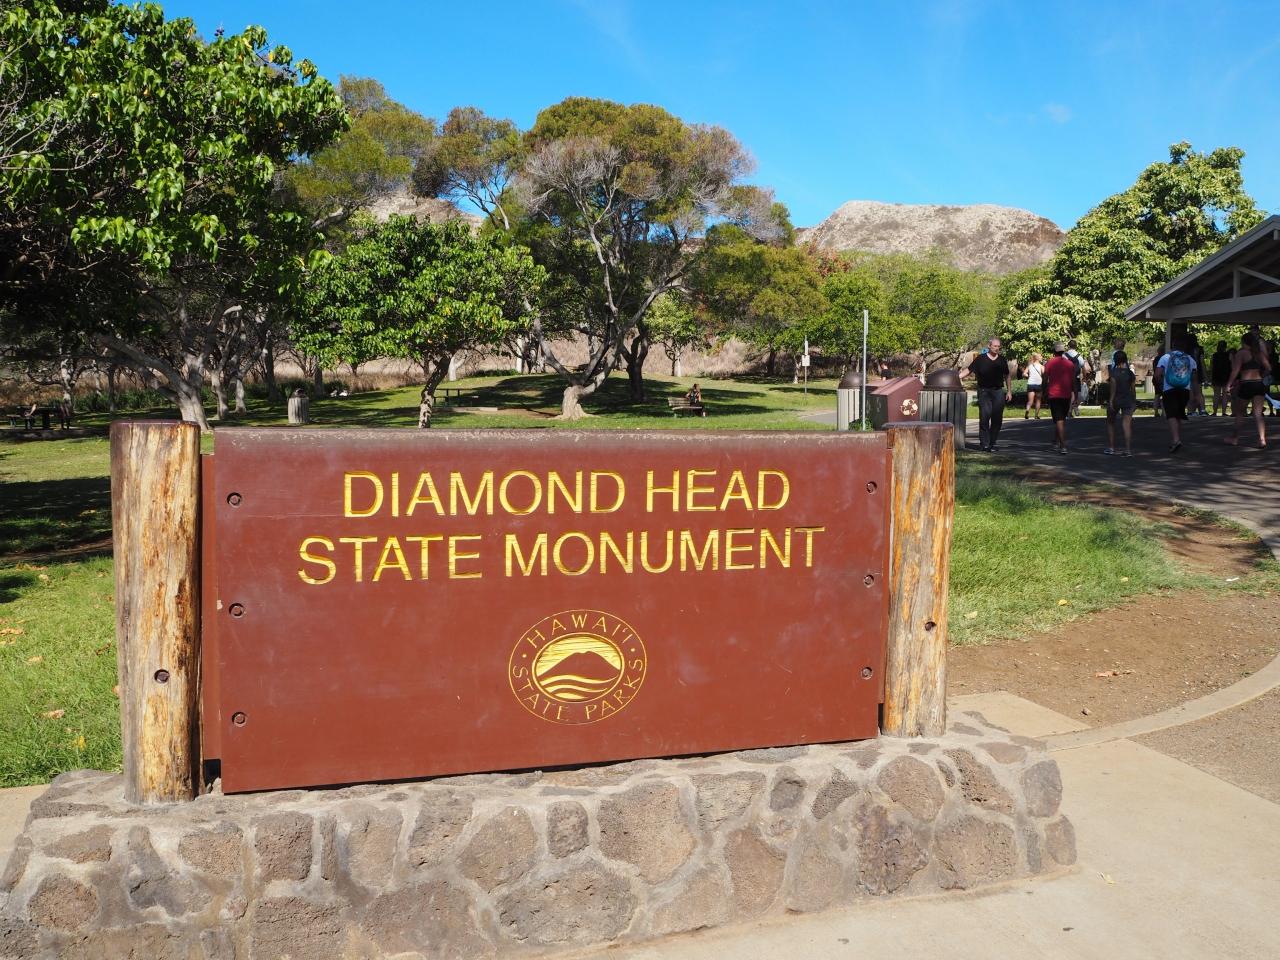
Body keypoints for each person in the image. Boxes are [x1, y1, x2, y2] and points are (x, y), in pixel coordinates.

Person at [960, 337, 1012, 451]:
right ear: (989, 346)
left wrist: (1009, 391)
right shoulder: (980, 359)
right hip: (984, 391)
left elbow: (1007, 375)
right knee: (984, 417)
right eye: (995, 346)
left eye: (998, 346)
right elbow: (969, 370)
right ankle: (984, 444)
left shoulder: (1002, 360)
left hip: (998, 391)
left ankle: (992, 443)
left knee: (997, 419)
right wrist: (957, 377)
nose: (997, 348)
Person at [1224, 331, 1271, 447]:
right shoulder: (1258, 353)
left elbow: (1235, 370)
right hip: (1259, 384)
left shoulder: (1241, 353)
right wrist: (1262, 376)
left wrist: (1228, 384)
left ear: (1244, 342)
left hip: (1246, 384)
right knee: (1258, 413)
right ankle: (1262, 439)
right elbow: (1269, 368)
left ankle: (1234, 438)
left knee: (1240, 413)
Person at [1156, 336, 1196, 454]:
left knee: (1171, 415)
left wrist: (1160, 384)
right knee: (1178, 414)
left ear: (1173, 345)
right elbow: (1194, 377)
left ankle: (1176, 439)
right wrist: (1194, 393)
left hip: (1169, 389)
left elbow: (1157, 374)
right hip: (1185, 390)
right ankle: (1177, 438)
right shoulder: (1190, 359)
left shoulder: (1165, 357)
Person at [1043, 342, 1076, 454]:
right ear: (1063, 351)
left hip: (1054, 394)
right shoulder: (1070, 364)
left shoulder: (1050, 363)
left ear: (1054, 351)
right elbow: (1073, 381)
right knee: (1061, 419)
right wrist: (1075, 394)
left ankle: (1063, 445)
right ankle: (1056, 441)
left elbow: (1045, 378)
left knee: (1059, 419)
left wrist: (1043, 390)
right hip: (1066, 394)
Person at [1105, 351, 1136, 456]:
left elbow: (1113, 388)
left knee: (1110, 422)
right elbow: (1133, 389)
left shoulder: (1113, 373)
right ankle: (1128, 450)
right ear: (1125, 359)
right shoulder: (1130, 373)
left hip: (1116, 399)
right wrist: (1134, 401)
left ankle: (1111, 447)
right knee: (1126, 425)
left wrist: (1111, 401)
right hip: (1128, 400)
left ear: (1115, 360)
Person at [1210, 340, 1233, 416]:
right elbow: (1232, 366)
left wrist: (1210, 377)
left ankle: (1214, 412)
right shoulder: (1229, 355)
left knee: (1216, 395)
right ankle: (1223, 412)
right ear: (1225, 347)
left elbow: (1211, 367)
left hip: (1216, 376)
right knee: (1225, 395)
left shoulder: (1214, 355)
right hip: (1226, 376)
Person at [1188, 332, 1207, 416]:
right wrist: (1205, 374)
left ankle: (1191, 411)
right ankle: (1202, 410)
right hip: (1198, 372)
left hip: (1188, 372)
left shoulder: (1186, 349)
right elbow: (1202, 362)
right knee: (1199, 392)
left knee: (1190, 392)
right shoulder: (1200, 349)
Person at [1024, 352, 1044, 419]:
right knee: (1038, 400)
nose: (1041, 357)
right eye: (1041, 356)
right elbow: (1044, 375)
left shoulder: (1030, 366)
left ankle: (1027, 410)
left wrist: (1029, 376)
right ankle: (1036, 415)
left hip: (1030, 384)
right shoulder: (1041, 366)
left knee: (1030, 401)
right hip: (1038, 384)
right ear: (1038, 358)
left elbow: (1024, 374)